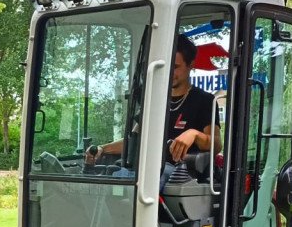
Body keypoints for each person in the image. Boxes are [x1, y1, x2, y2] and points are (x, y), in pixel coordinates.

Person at [85, 34, 218, 167]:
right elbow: (135, 142)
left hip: (180, 176)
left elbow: (216, 144)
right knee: (113, 171)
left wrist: (194, 134)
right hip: (147, 173)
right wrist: (102, 149)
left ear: (191, 65)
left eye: (176, 67)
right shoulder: (153, 100)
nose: (170, 72)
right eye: (167, 67)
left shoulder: (205, 100)